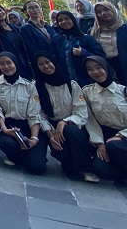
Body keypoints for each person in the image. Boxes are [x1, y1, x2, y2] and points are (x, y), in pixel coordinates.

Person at [83, 56, 127, 190]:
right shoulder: (87, 92)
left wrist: (121, 136)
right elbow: (90, 121)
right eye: (90, 69)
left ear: (107, 68)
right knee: (100, 169)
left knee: (115, 146)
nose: (96, 72)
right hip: (105, 139)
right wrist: (99, 143)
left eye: (99, 68)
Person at [33, 52, 96, 182]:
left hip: (73, 125)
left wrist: (64, 122)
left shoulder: (71, 84)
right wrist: (50, 134)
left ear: (54, 62)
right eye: (40, 64)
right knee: (60, 152)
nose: (46, 66)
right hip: (50, 126)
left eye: (47, 62)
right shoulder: (37, 86)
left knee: (70, 131)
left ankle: (86, 168)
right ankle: (69, 162)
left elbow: (81, 112)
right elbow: (39, 113)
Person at [0, 52, 47, 174]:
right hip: (9, 127)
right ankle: (17, 156)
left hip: (28, 127)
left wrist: (34, 138)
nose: (6, 67)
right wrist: (4, 128)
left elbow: (34, 113)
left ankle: (31, 155)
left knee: (37, 168)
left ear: (15, 63)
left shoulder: (29, 85)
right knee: (6, 143)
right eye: (2, 64)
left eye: (9, 63)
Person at [52, 11, 105, 87]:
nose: (64, 22)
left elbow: (100, 56)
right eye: (60, 20)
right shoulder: (56, 39)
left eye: (67, 18)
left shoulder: (86, 38)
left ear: (73, 20)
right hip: (67, 83)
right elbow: (54, 58)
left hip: (87, 81)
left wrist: (83, 52)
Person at [0, 4, 32, 80]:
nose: (0, 13)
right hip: (7, 65)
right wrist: (2, 60)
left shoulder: (14, 27)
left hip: (22, 60)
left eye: (0, 10)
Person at [19, 0, 56, 68]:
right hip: (45, 64)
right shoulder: (25, 29)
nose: (35, 10)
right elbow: (32, 49)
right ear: (26, 12)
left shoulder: (47, 26)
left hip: (57, 59)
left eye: (37, 7)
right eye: (31, 8)